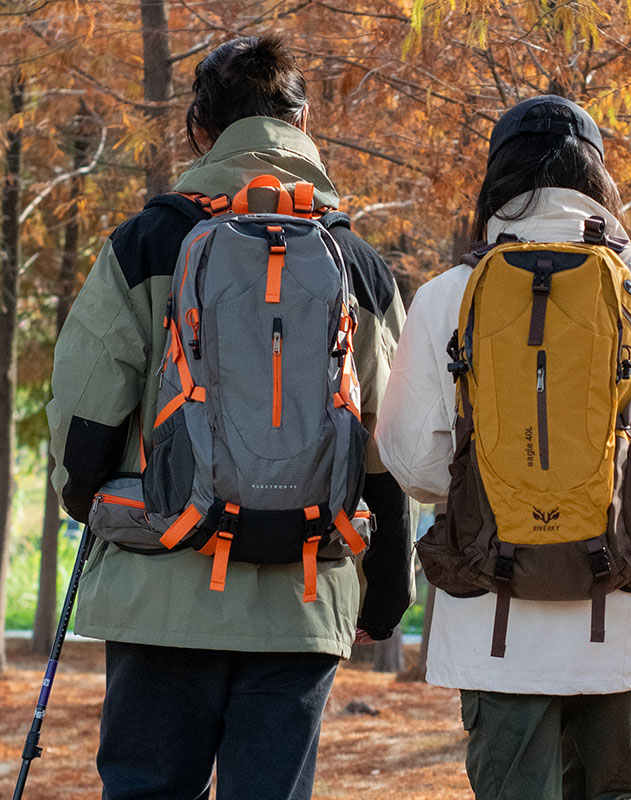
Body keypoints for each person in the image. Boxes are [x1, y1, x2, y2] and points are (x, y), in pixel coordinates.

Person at [375, 95, 631, 800]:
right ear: (597, 180)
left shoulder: (449, 295)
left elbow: (412, 458)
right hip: (621, 617)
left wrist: (502, 486)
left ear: (497, 181)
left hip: (493, 623)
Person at [47, 35, 411, 800]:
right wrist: (384, 589)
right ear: (304, 122)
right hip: (303, 596)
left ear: (196, 128)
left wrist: (107, 511)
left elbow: (85, 431)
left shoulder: (145, 243)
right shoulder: (358, 263)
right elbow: (392, 446)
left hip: (163, 586)